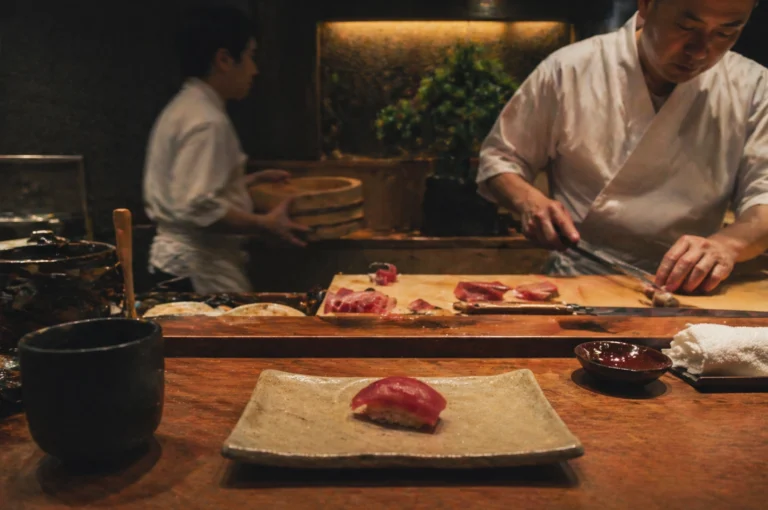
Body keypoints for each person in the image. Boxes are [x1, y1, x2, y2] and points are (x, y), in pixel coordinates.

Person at [477, 0, 768, 294]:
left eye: (726, 33)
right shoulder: (569, 69)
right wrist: (529, 201)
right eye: (686, 27)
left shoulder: (754, 86)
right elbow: (500, 159)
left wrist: (727, 245)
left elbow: (764, 198)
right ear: (646, 5)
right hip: (581, 280)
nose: (700, 50)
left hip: (692, 288)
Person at [142, 5, 309, 294]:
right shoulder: (207, 121)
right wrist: (264, 223)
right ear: (224, 59)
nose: (255, 71)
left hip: (184, 265)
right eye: (251, 57)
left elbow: (186, 191)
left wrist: (242, 183)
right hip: (198, 269)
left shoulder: (185, 106)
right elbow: (195, 205)